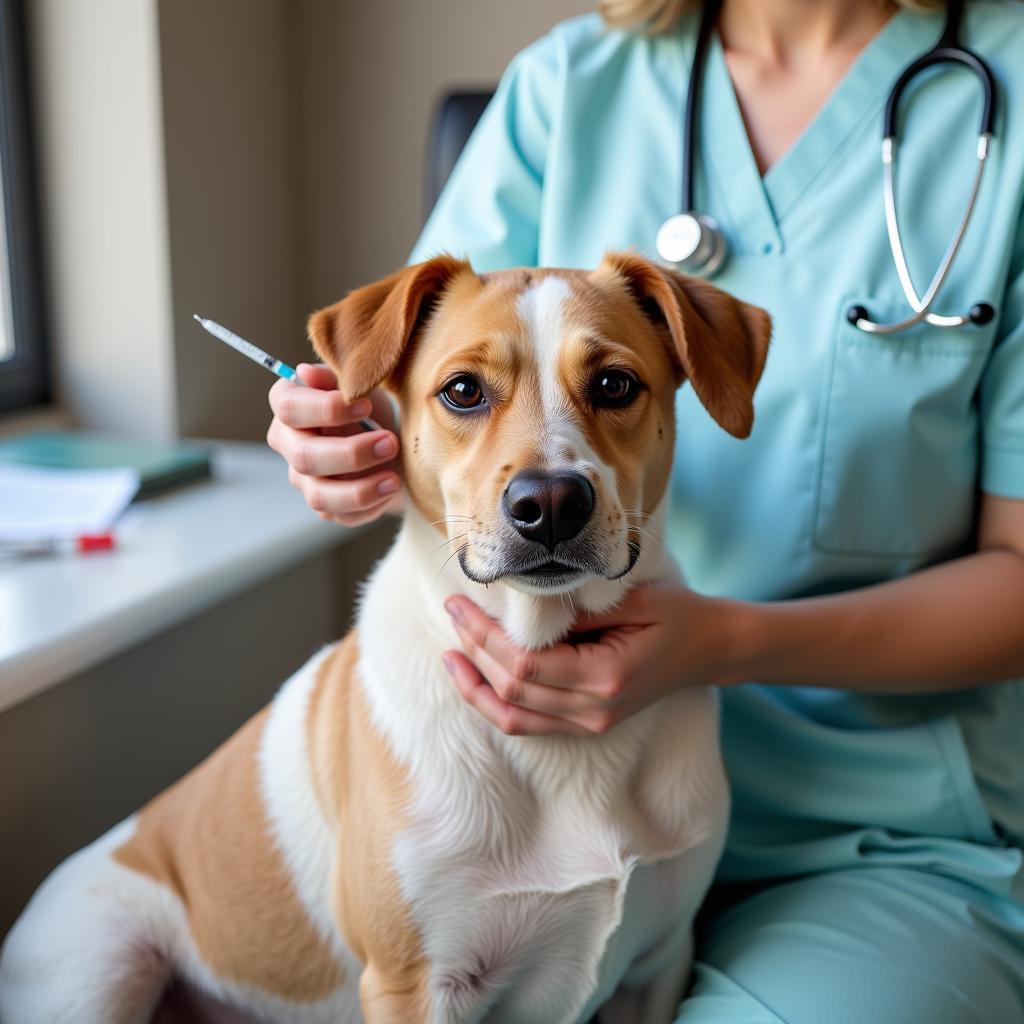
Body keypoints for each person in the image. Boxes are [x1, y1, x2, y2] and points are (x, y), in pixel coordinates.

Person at [267, 0, 1024, 1019]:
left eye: (614, 386)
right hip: (527, 788)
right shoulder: (572, 85)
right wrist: (340, 437)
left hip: (868, 834)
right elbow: (411, 379)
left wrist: (719, 642)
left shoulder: (1006, 91)